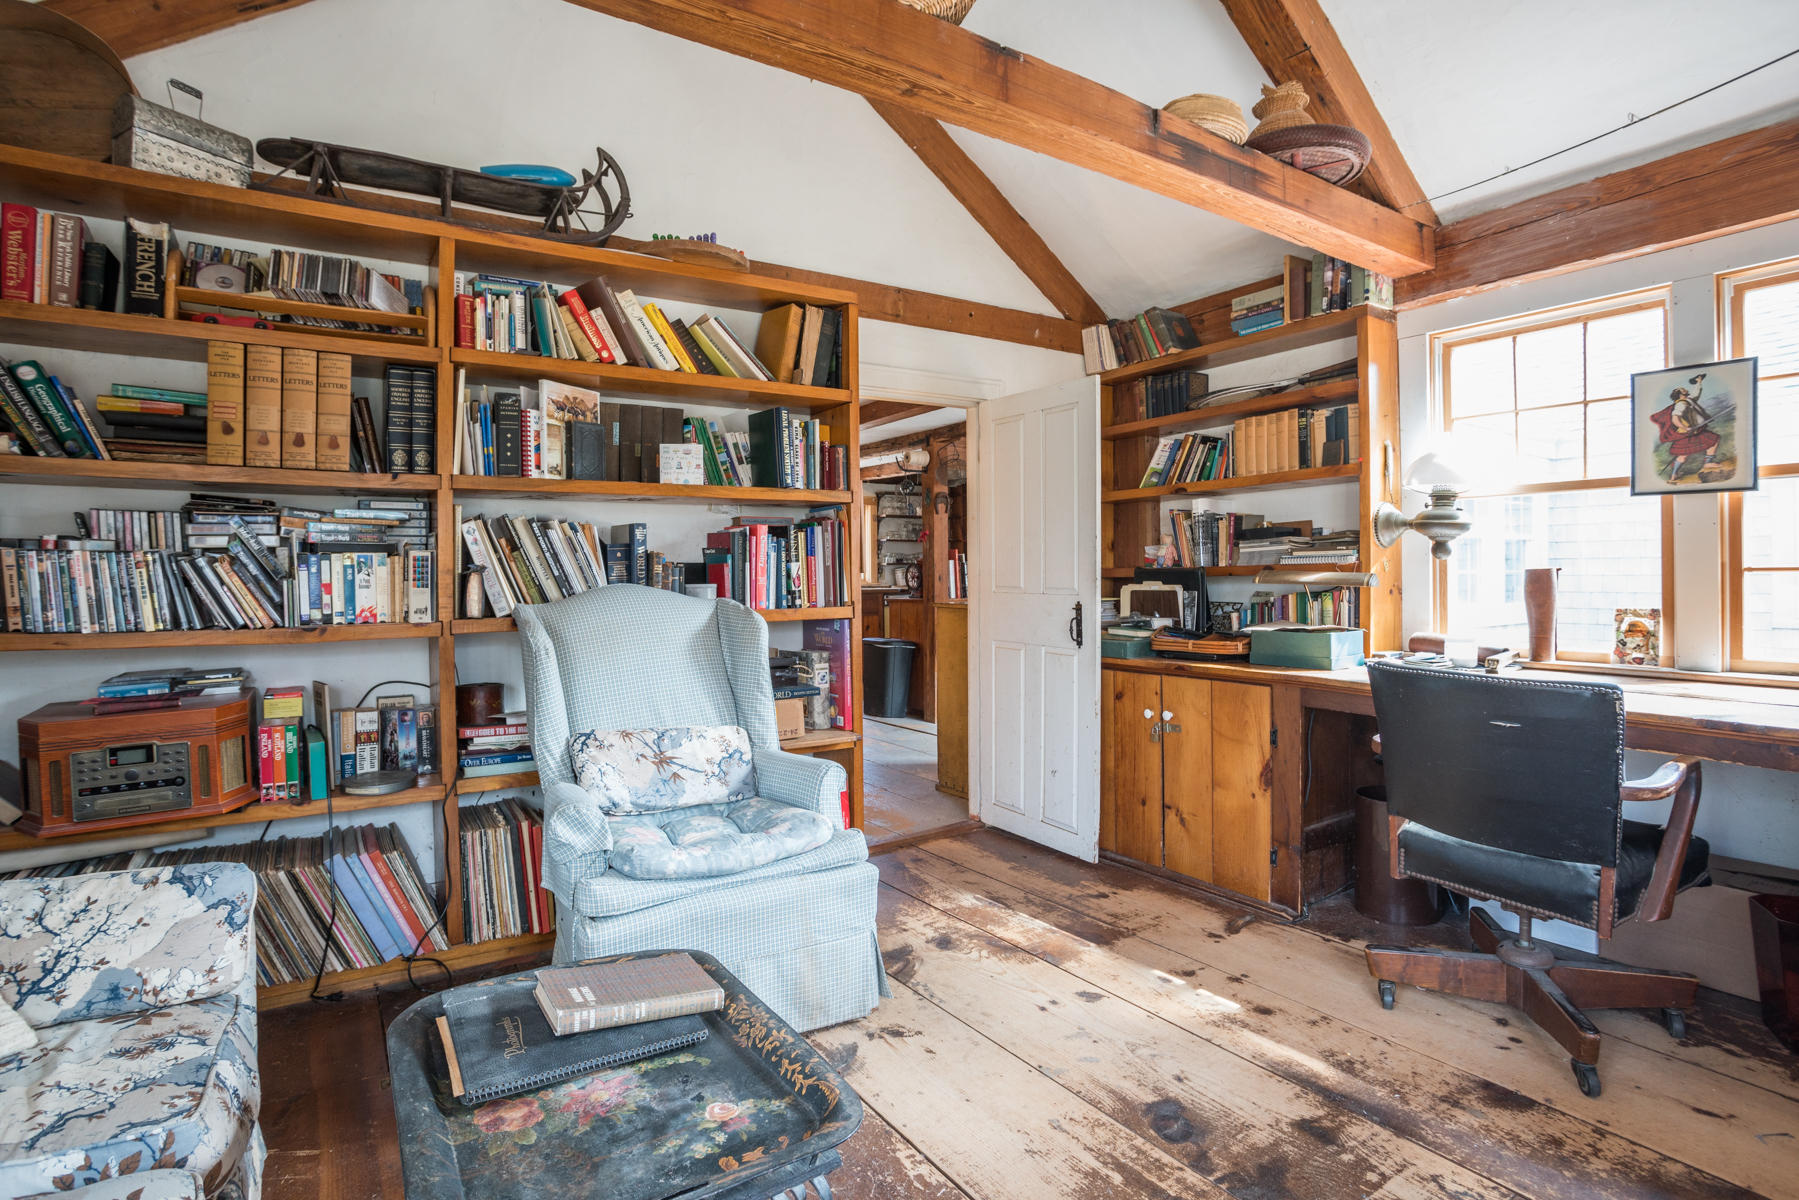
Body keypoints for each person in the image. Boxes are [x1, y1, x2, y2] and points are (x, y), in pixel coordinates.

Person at [1649, 373, 1719, 482]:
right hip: (1687, 433)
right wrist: (1685, 428)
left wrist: (1699, 382)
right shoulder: (1681, 404)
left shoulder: (1688, 400)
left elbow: (1696, 393)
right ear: (1680, 394)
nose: (1685, 389)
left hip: (1696, 431)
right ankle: (1674, 475)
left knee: (1713, 440)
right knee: (1683, 455)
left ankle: (1707, 463)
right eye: (1683, 390)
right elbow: (1675, 419)